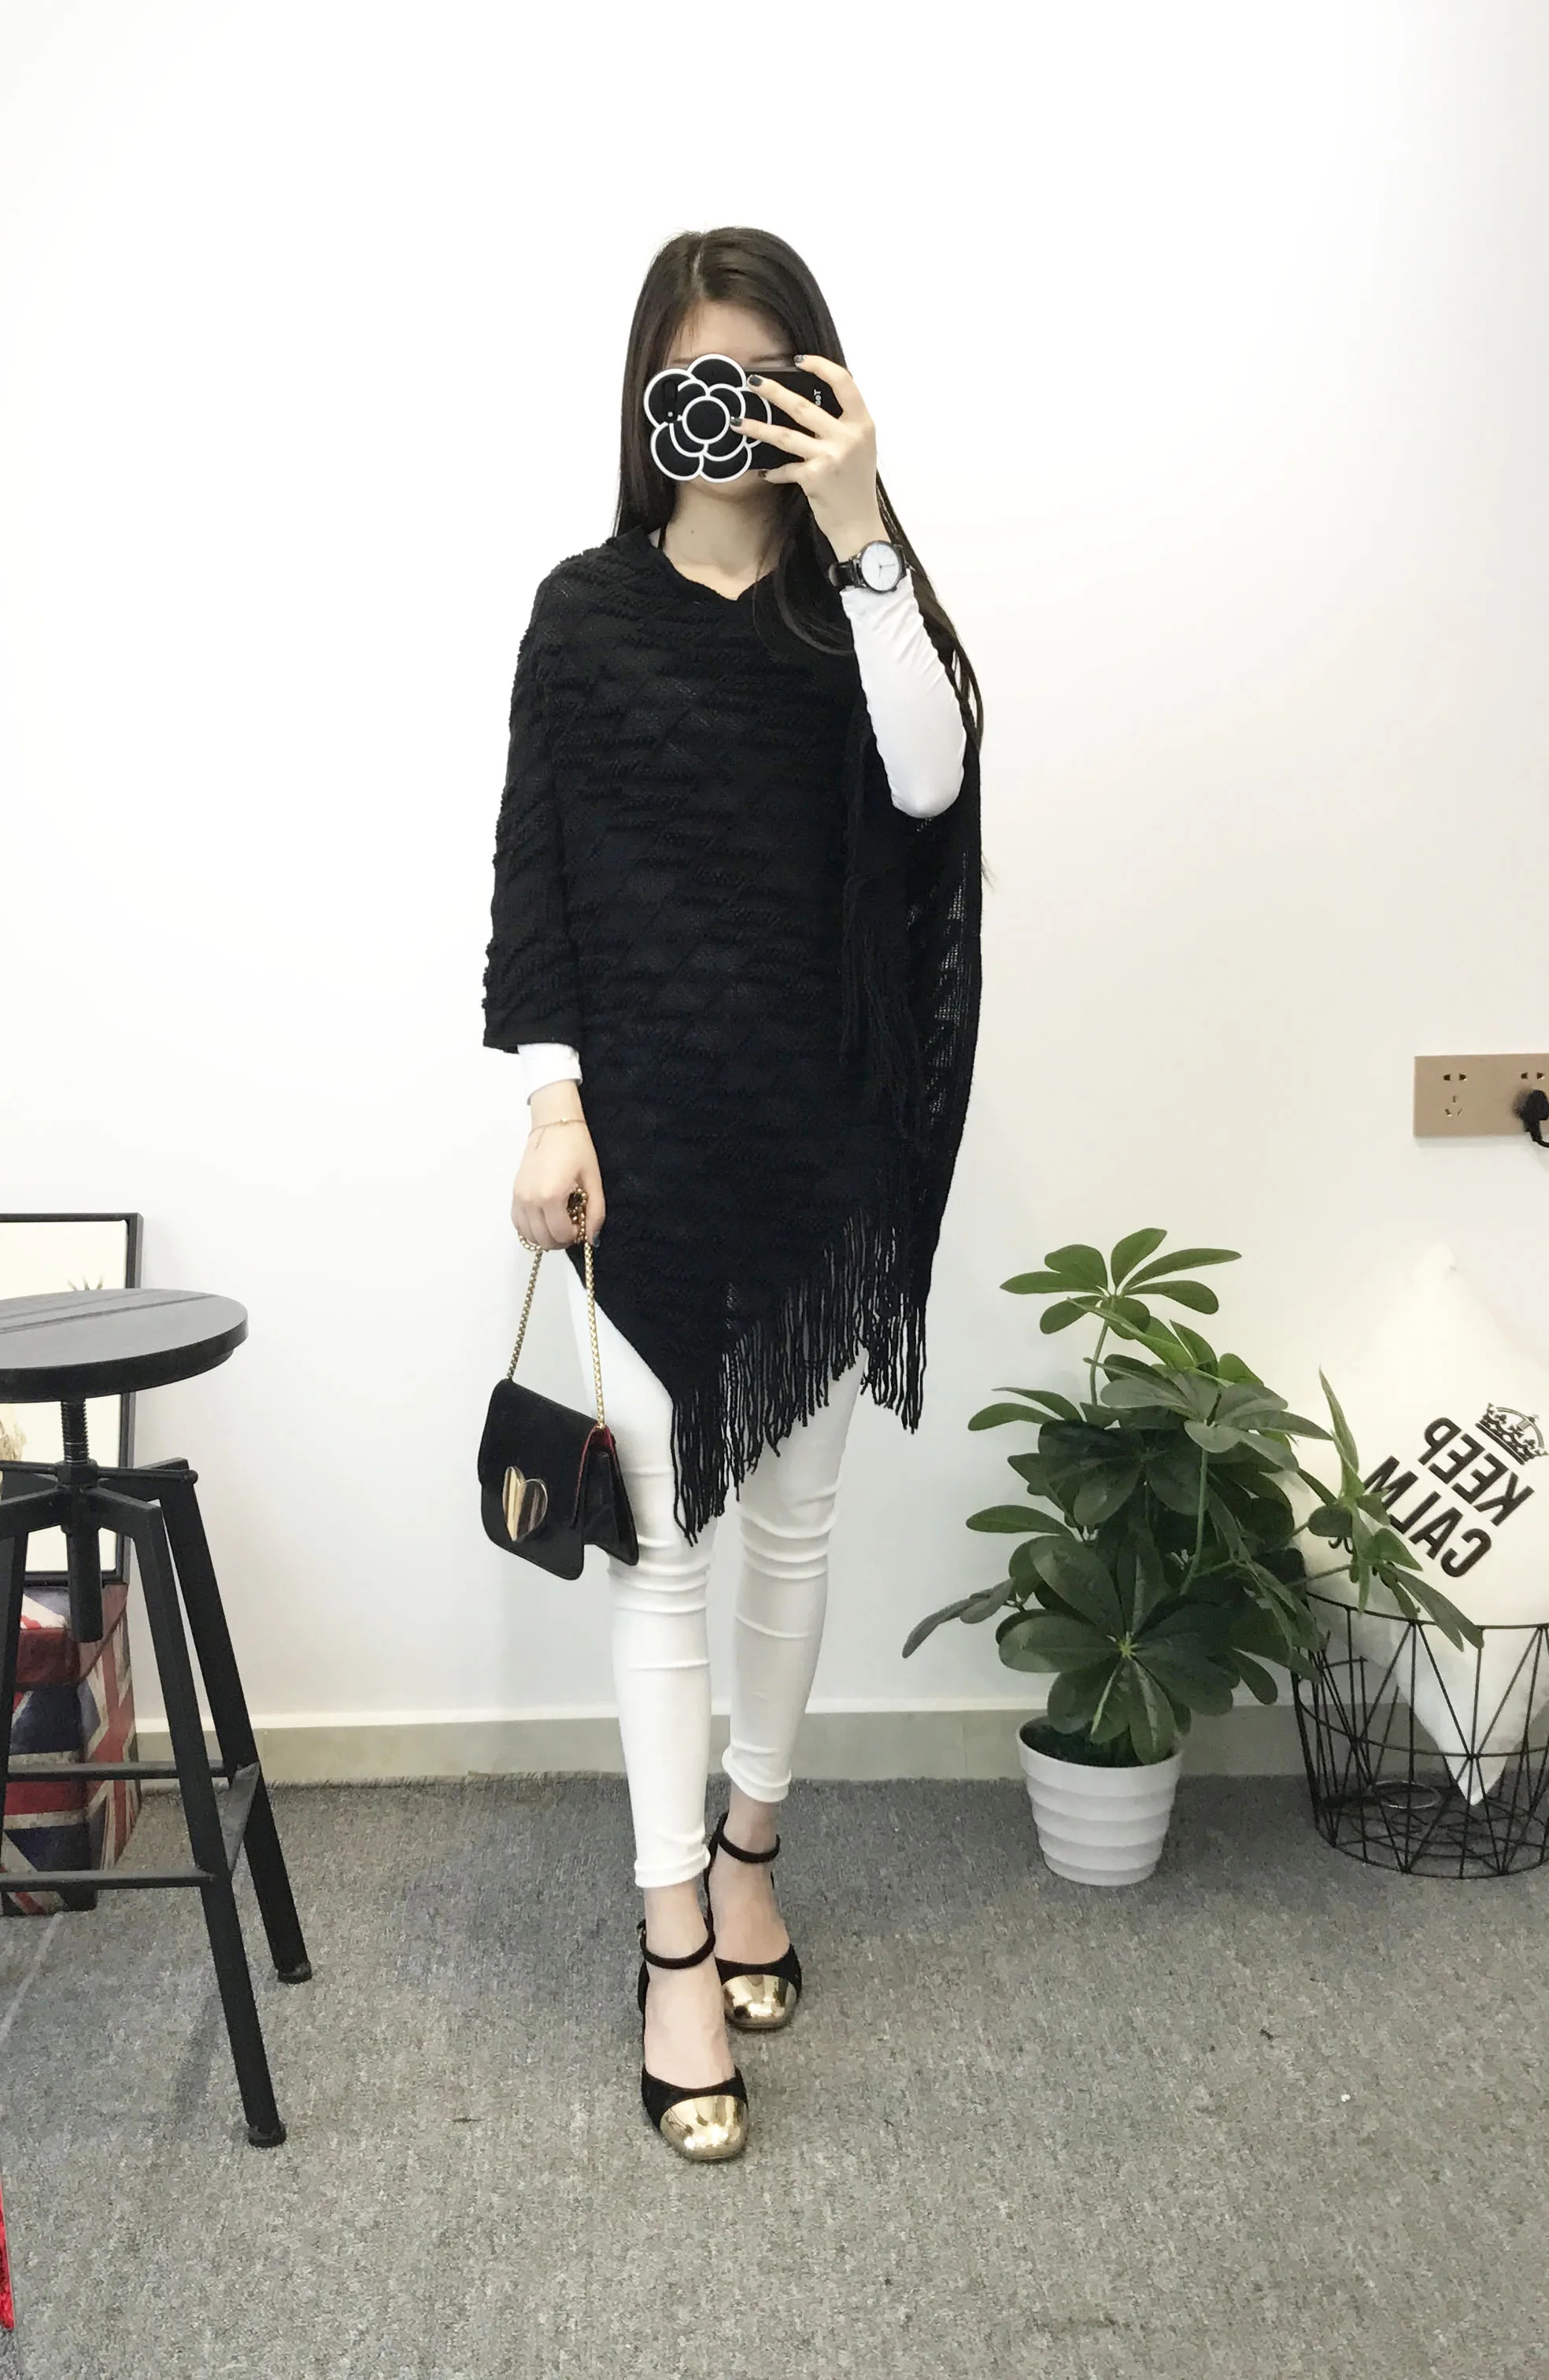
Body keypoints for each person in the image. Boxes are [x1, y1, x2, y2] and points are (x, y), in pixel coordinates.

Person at [482, 225, 983, 2160]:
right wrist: (551, 1104)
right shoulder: (583, 614)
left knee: (792, 1526)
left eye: (767, 380)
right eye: (698, 381)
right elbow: (534, 871)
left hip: (821, 1137)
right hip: (647, 1148)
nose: (729, 415)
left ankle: (752, 1845)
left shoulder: (858, 606)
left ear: (818, 390)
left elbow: (932, 789)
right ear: (646, 396)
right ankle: (673, 1936)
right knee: (664, 1551)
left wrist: (863, 530)